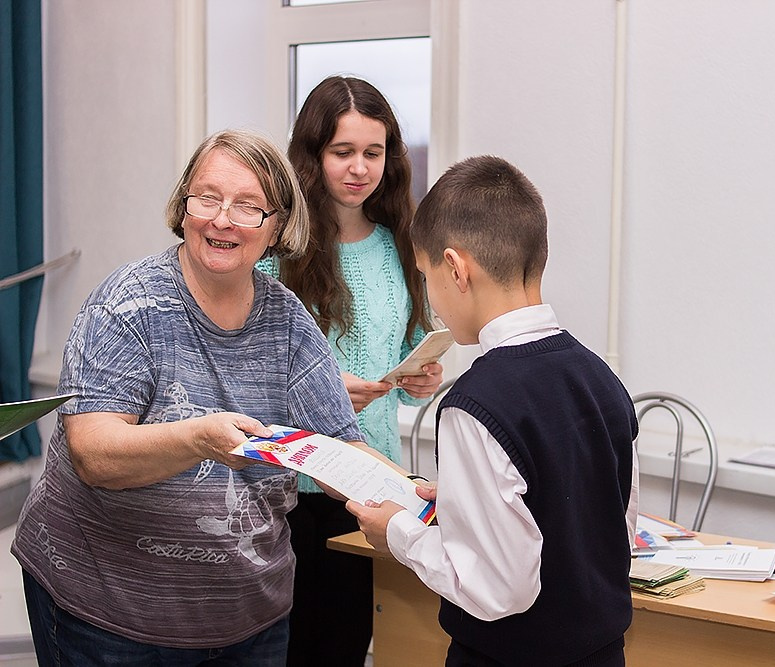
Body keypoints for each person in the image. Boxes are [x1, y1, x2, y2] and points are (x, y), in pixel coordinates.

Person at [11, 129, 367, 665]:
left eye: (249, 207)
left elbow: (342, 448)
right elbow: (93, 452)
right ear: (183, 209)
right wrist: (198, 438)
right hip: (108, 614)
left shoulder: (289, 321)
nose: (222, 219)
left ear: (275, 230)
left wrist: (415, 496)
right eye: (208, 198)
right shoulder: (129, 305)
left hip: (250, 619)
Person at [347, 155, 640, 667]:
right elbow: (610, 525)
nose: (432, 300)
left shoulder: (474, 404)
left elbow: (498, 589)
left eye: (426, 275)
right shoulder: (601, 378)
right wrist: (464, 502)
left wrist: (399, 533)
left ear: (456, 269)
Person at [257, 75, 443, 665]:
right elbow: (244, 377)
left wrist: (422, 379)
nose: (360, 168)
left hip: (371, 491)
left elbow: (412, 356)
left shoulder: (403, 245)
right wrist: (321, 393)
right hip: (286, 495)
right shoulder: (274, 254)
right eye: (343, 152)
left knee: (343, 648)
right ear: (311, 157)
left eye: (373, 152)